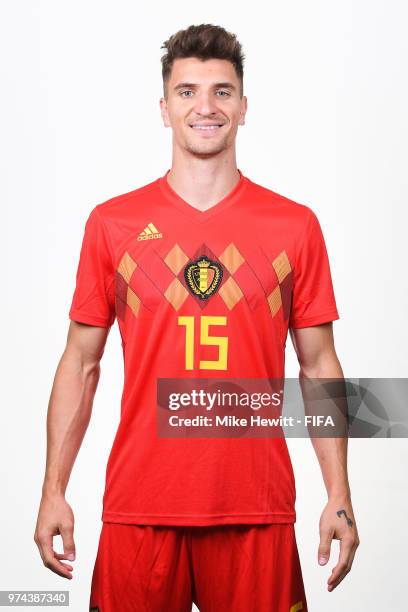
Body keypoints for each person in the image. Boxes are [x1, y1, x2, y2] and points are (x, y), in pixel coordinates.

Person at [34, 23, 360, 612]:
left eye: (221, 91)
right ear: (164, 108)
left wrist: (338, 492)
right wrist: (52, 489)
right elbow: (81, 362)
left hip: (255, 509)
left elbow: (319, 367)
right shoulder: (113, 225)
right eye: (187, 91)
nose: (205, 106)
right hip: (140, 507)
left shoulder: (294, 226)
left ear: (243, 107)